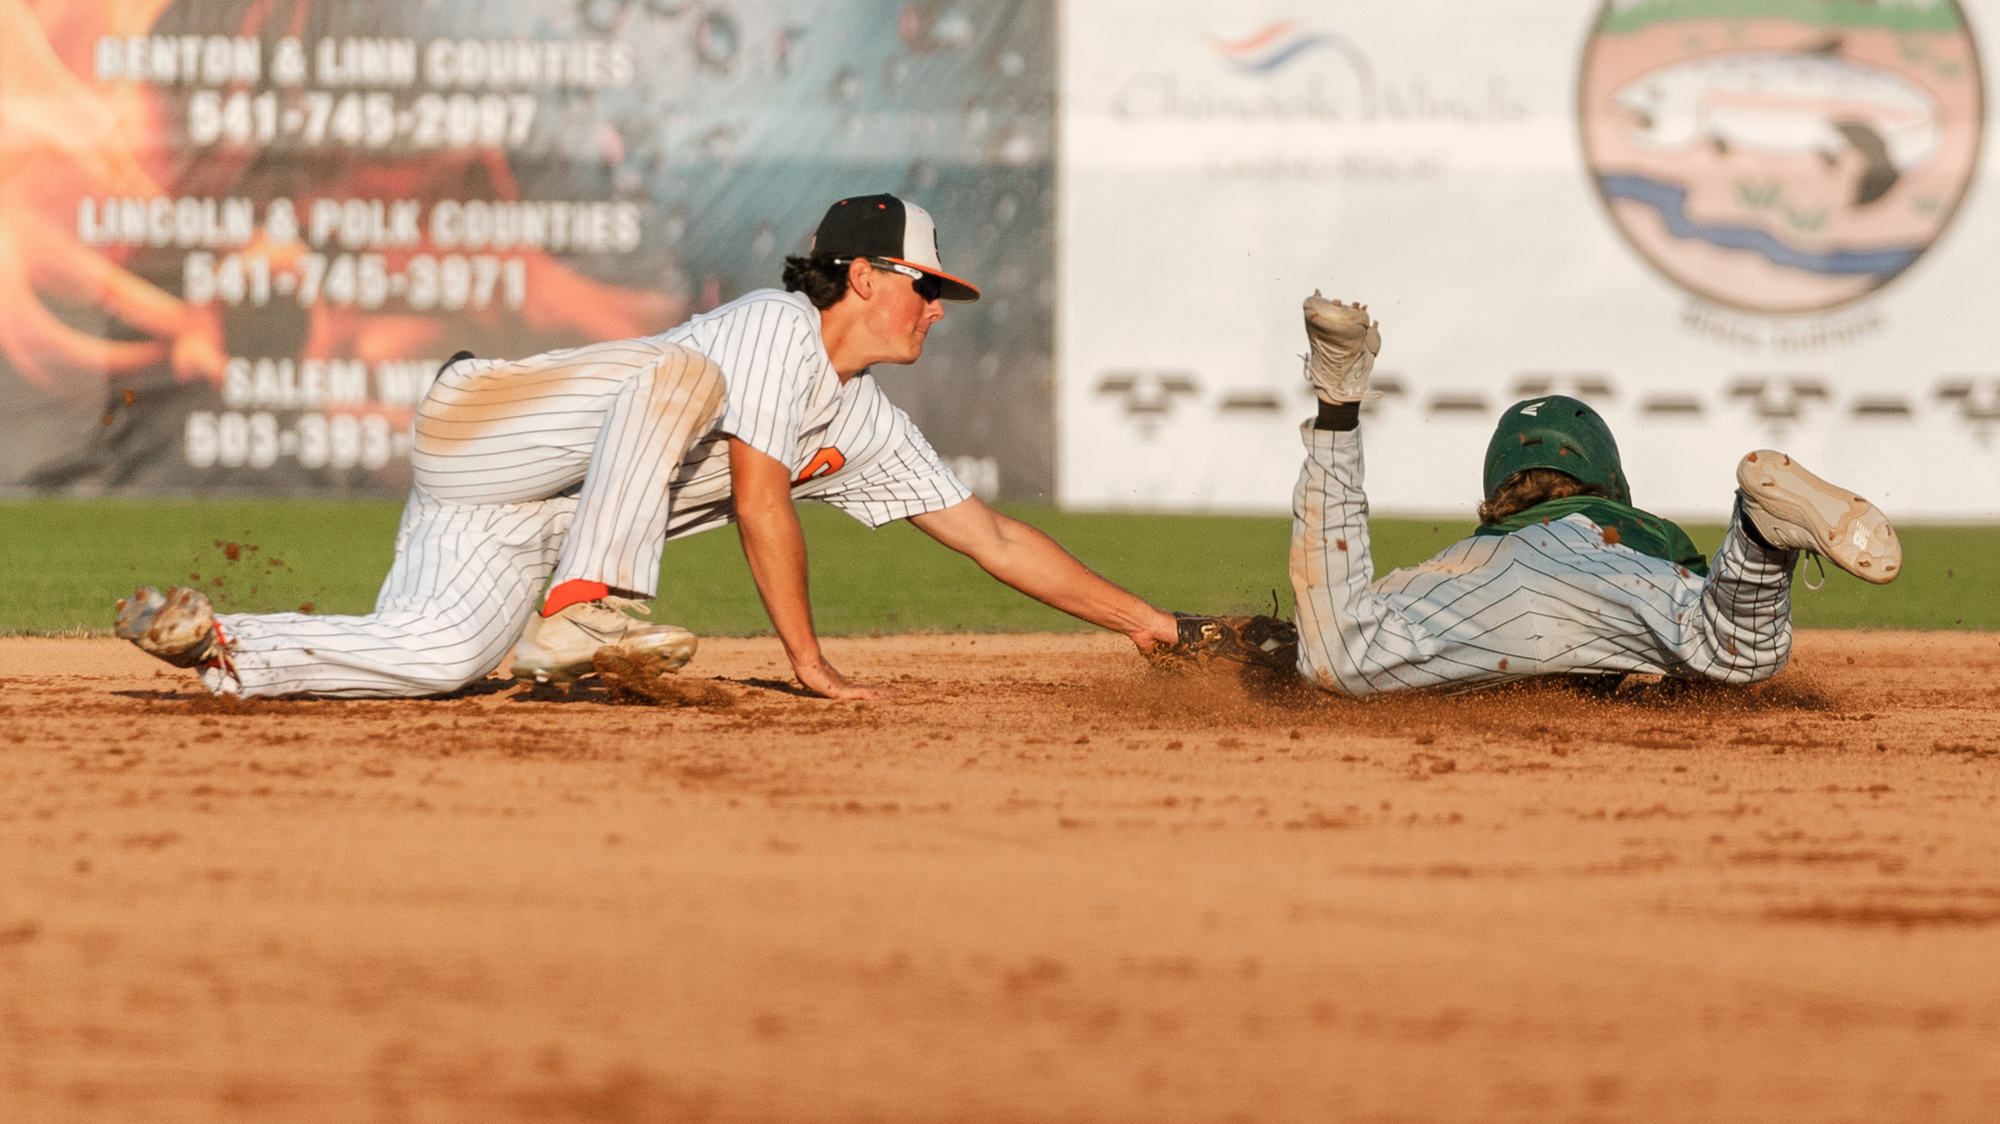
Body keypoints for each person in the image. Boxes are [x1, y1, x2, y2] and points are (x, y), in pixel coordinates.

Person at [116, 194, 1180, 699]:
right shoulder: (773, 326)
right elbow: (760, 500)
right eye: (925, 285)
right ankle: (586, 610)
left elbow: (989, 535)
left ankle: (217, 644)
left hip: (521, 516)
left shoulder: (861, 421)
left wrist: (1153, 624)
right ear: (862, 275)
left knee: (444, 656)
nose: (936, 307)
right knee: (679, 376)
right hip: (491, 424)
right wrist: (807, 662)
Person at [1171, 292, 1899, 694]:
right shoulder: (1639, 528)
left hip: (1482, 594)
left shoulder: (1472, 547)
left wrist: (1227, 639)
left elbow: (1304, 638)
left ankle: (1337, 400)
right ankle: (1762, 535)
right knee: (1734, 649)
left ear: (1496, 491)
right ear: (1607, 477)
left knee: (1338, 653)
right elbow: (1699, 629)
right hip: (1613, 571)